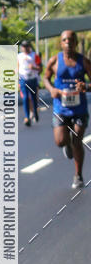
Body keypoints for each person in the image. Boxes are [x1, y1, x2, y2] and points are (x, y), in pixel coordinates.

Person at [43, 30, 91, 190]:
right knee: (60, 141)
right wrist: (51, 89)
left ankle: (78, 176)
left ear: (76, 42)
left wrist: (86, 86)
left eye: (71, 40)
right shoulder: (54, 60)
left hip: (79, 109)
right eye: (65, 40)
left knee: (77, 140)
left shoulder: (84, 61)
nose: (68, 42)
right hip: (61, 108)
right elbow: (45, 78)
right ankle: (67, 144)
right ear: (61, 43)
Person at [18, 40, 39, 126]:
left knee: (34, 98)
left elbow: (40, 68)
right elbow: (17, 67)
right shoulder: (19, 56)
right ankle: (27, 117)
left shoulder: (34, 55)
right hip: (23, 79)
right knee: (25, 98)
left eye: (27, 46)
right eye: (24, 46)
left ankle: (35, 112)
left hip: (33, 79)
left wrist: (34, 67)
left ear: (29, 47)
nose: (25, 48)